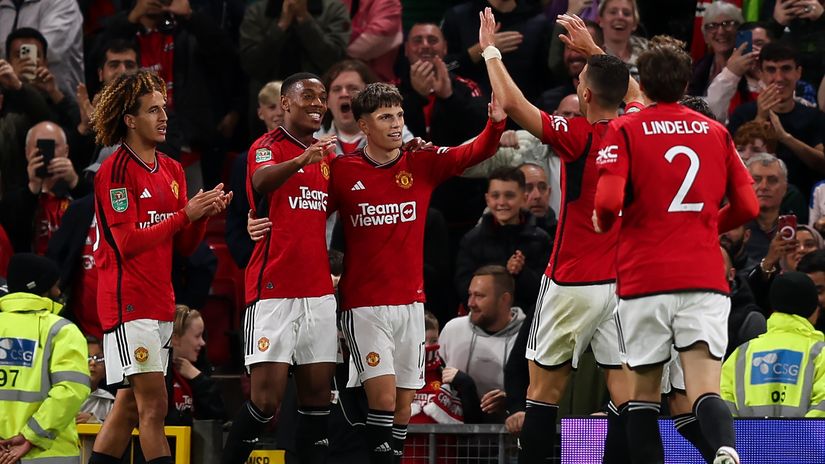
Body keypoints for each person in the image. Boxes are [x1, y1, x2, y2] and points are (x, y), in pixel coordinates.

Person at [479, 9, 641, 462]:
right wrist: (596, 52)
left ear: (584, 93)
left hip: (572, 280)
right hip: (621, 284)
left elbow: (513, 104)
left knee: (542, 394)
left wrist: (490, 50)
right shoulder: (635, 127)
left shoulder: (577, 134)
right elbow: (633, 92)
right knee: (627, 394)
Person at [593, 36, 760, 464]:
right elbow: (749, 206)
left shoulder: (625, 128)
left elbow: (608, 203)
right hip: (704, 277)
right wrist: (705, 226)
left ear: (643, 85)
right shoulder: (716, 132)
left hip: (646, 279)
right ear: (686, 83)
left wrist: (603, 222)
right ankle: (725, 448)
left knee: (643, 395)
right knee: (703, 387)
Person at [330, 81, 506, 463]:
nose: (396, 124)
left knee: (402, 406)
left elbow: (471, 153)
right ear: (364, 125)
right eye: (385, 117)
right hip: (364, 306)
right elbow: (307, 211)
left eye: (399, 115)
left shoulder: (420, 162)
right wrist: (260, 223)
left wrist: (495, 125)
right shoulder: (341, 171)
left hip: (411, 304)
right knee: (382, 398)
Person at [87, 70, 231, 464]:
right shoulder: (115, 171)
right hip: (127, 304)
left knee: (128, 408)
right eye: (153, 110)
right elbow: (126, 242)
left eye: (164, 108)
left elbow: (183, 246)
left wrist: (200, 216)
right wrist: (185, 214)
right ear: (130, 120)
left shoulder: (172, 170)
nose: (164, 117)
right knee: (154, 407)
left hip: (160, 302)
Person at [221, 72, 338, 464]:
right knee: (266, 401)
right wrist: (303, 159)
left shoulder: (327, 156)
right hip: (273, 290)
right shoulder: (267, 146)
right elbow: (261, 180)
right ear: (285, 103)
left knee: (318, 398)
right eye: (308, 96)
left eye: (322, 96)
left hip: (318, 292)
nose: (318, 103)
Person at [0, 253, 90, 463]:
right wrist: (31, 436)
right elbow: (71, 390)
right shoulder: (62, 330)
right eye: (55, 285)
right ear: (39, 286)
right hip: (50, 455)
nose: (58, 292)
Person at [728, 41, 825, 201]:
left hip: (801, 202)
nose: (779, 78)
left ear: (798, 72)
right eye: (771, 70)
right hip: (752, 200)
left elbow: (822, 164)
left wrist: (785, 138)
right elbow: (734, 164)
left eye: (786, 69)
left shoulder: (813, 117)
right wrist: (760, 118)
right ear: (761, 73)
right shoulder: (742, 114)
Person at [721, 271, 825, 417]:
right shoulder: (820, 353)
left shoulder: (741, 354)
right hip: (805, 433)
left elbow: (723, 408)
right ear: (813, 309)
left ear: (774, 308)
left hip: (748, 433)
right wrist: (799, 432)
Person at [454, 167, 551, 313]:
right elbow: (464, 289)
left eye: (509, 196)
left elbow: (546, 291)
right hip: (483, 320)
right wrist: (503, 275)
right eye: (495, 196)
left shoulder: (541, 240)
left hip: (529, 319)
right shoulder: (471, 241)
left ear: (524, 198)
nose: (501, 202)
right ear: (487, 199)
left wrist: (522, 273)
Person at [440, 265, 526, 423]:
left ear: (505, 299)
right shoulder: (453, 329)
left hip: (508, 435)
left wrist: (512, 401)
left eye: (479, 296)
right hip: (454, 434)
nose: (470, 303)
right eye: (470, 295)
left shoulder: (526, 336)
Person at [166, 305, 224, 425]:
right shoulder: (159, 374)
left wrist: (198, 378)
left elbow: (219, 417)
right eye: (197, 336)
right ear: (176, 339)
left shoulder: (200, 368)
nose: (202, 342)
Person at [78, 335, 116, 424]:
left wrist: (96, 422)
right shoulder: (59, 395)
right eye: (87, 357)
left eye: (99, 358)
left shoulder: (109, 403)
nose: (93, 362)